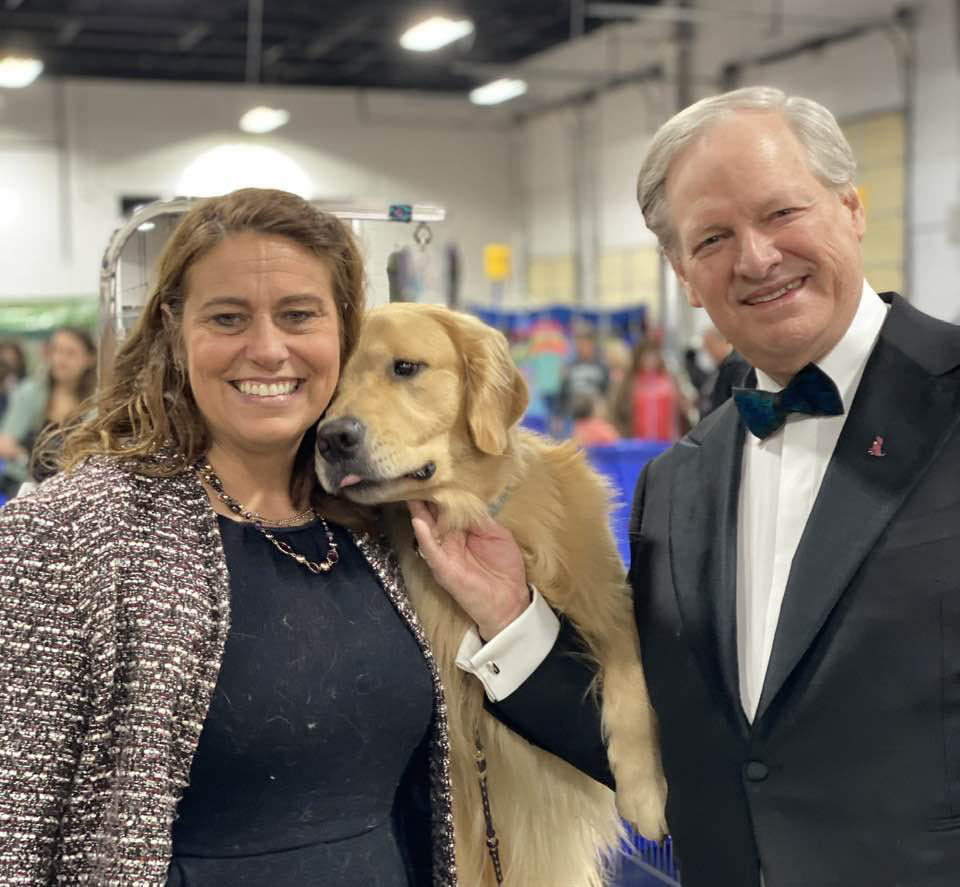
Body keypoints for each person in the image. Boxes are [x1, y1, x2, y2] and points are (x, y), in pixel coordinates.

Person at [425, 86, 960, 887]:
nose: (756, 257)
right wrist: (512, 616)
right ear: (684, 273)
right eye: (714, 237)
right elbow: (661, 744)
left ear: (851, 208)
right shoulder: (676, 483)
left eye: (783, 212)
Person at [0, 187, 519, 887]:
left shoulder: (380, 524)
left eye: (298, 314)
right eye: (228, 317)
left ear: (342, 330)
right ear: (175, 334)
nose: (268, 349)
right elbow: (15, 823)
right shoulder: (69, 534)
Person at [0, 327, 96, 492]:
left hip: (78, 486)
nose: (60, 359)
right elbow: (5, 443)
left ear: (89, 358)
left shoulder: (97, 400)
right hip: (26, 483)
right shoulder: (29, 392)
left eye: (70, 353)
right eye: (56, 350)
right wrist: (25, 458)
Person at [612, 337, 682, 441]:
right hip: (635, 442)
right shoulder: (628, 383)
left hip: (664, 443)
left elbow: (675, 415)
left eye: (653, 355)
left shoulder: (668, 381)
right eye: (646, 355)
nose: (650, 360)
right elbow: (618, 412)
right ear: (639, 357)